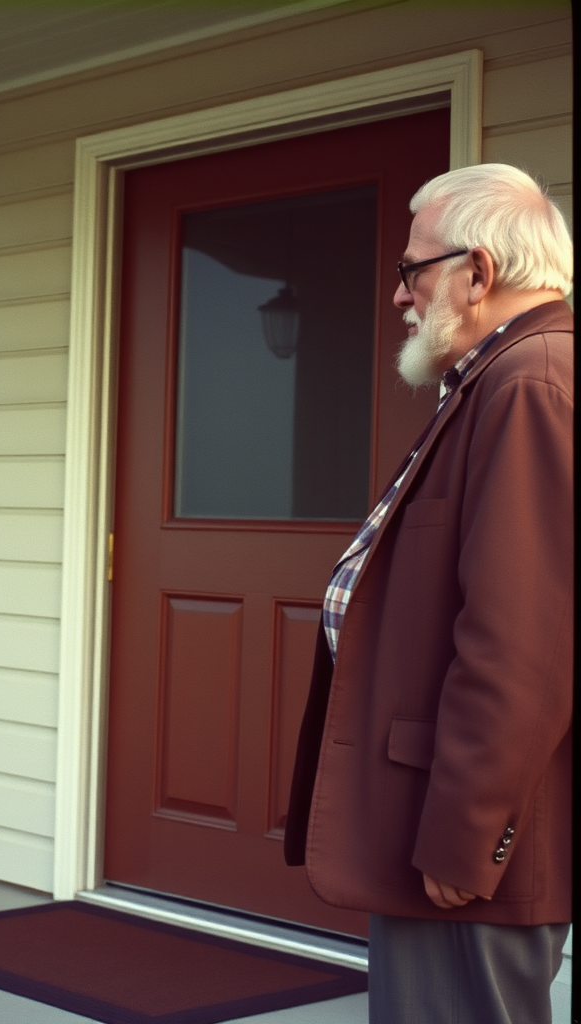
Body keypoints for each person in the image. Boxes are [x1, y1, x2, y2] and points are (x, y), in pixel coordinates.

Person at [283, 164, 572, 1024]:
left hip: (467, 840)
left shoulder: (531, 383)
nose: (400, 294)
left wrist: (465, 832)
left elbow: (526, 642)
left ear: (478, 272)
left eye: (413, 269)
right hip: (445, 817)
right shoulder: (502, 376)